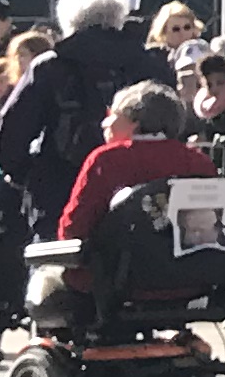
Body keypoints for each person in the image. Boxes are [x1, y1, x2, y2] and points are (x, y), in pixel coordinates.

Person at [0, 0, 164, 234]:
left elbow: (14, 128)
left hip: (58, 185)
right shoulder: (146, 64)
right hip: (135, 184)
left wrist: (26, 174)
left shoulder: (50, 66)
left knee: (55, 263)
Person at [44, 81, 214, 266]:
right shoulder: (199, 162)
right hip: (192, 278)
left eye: (112, 115)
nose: (104, 123)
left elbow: (72, 231)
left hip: (117, 281)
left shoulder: (107, 160)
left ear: (134, 121)